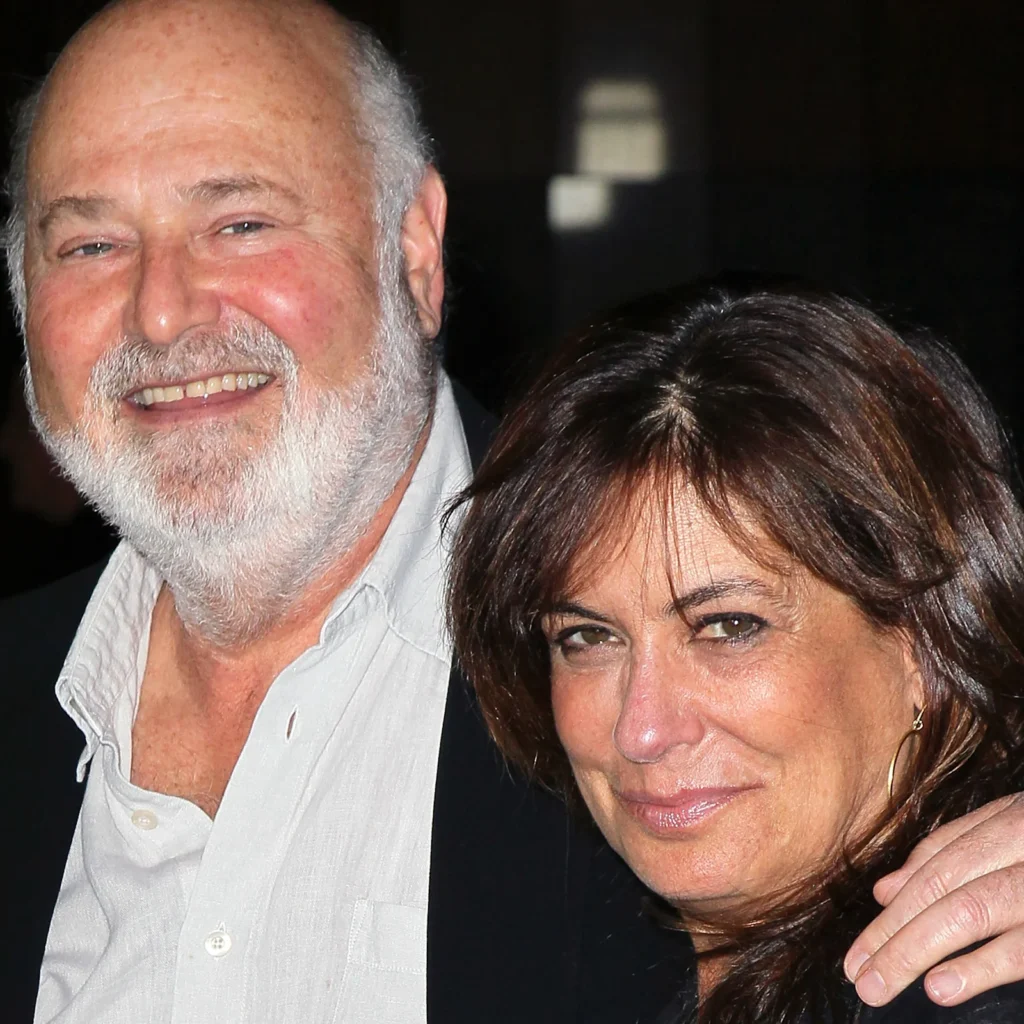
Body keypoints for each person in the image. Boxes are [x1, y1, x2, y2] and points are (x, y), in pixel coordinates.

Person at [2, 0, 1024, 1020]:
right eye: (89, 245)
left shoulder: (623, 602)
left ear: (415, 251)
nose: (162, 311)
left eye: (241, 223)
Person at [447, 281, 1024, 1022]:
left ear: (925, 644)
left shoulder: (972, 992)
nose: (641, 729)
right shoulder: (585, 947)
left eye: (728, 626)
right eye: (587, 636)